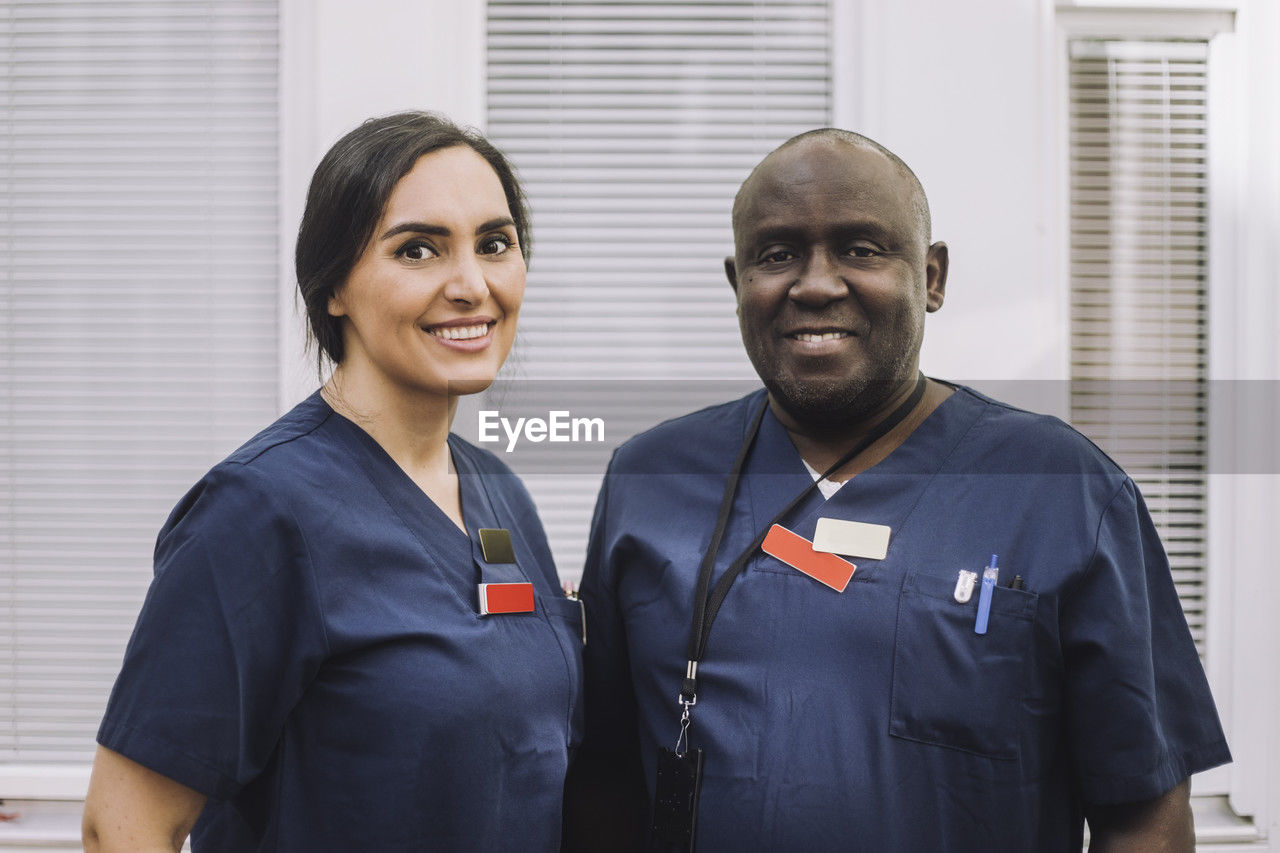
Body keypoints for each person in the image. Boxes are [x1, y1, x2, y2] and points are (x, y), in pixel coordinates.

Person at [566, 128, 1230, 852]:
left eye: (860, 248)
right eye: (778, 254)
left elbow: (1146, 816)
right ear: (738, 284)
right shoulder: (649, 480)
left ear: (932, 276)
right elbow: (601, 779)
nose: (815, 284)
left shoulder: (1064, 491)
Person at [81, 112, 584, 852]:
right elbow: (121, 827)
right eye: (418, 249)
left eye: (495, 243)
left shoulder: (499, 493)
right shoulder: (260, 511)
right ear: (335, 285)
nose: (472, 284)